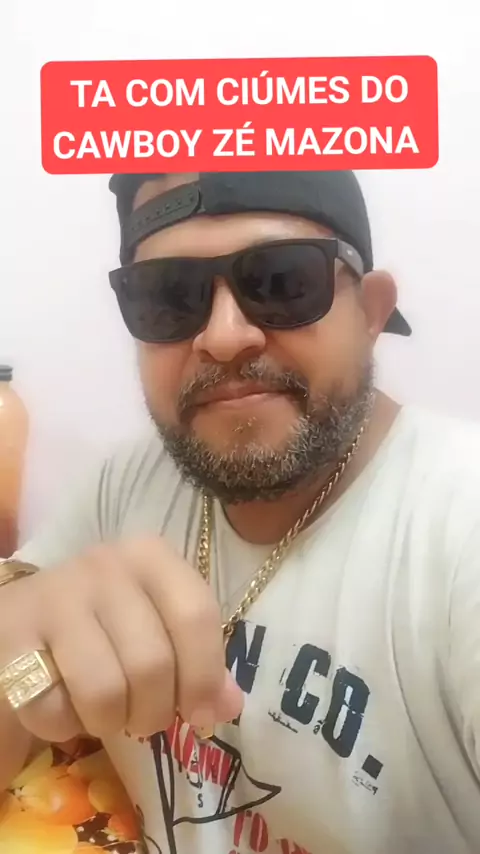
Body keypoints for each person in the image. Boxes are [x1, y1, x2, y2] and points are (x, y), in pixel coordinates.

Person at [0, 170, 480, 854]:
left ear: (372, 312)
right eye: (169, 297)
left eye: (282, 282)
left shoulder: (458, 528)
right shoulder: (129, 482)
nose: (224, 337)